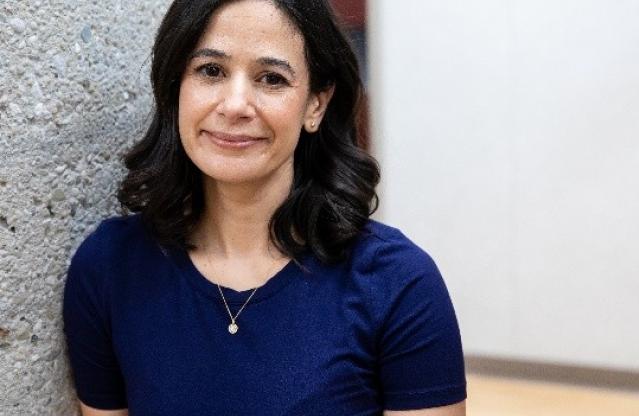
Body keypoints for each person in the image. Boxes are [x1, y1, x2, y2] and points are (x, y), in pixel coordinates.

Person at [62, 1, 466, 415]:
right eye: (210, 71)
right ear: (174, 86)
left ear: (316, 105)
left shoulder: (399, 284)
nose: (235, 104)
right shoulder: (109, 267)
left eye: (271, 79)